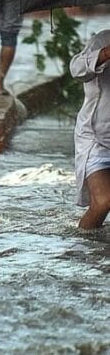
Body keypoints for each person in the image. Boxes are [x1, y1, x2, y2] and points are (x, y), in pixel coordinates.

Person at [70, 30, 110, 230]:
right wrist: (104, 53)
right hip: (95, 138)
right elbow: (77, 70)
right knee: (103, 202)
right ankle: (84, 248)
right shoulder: (102, 39)